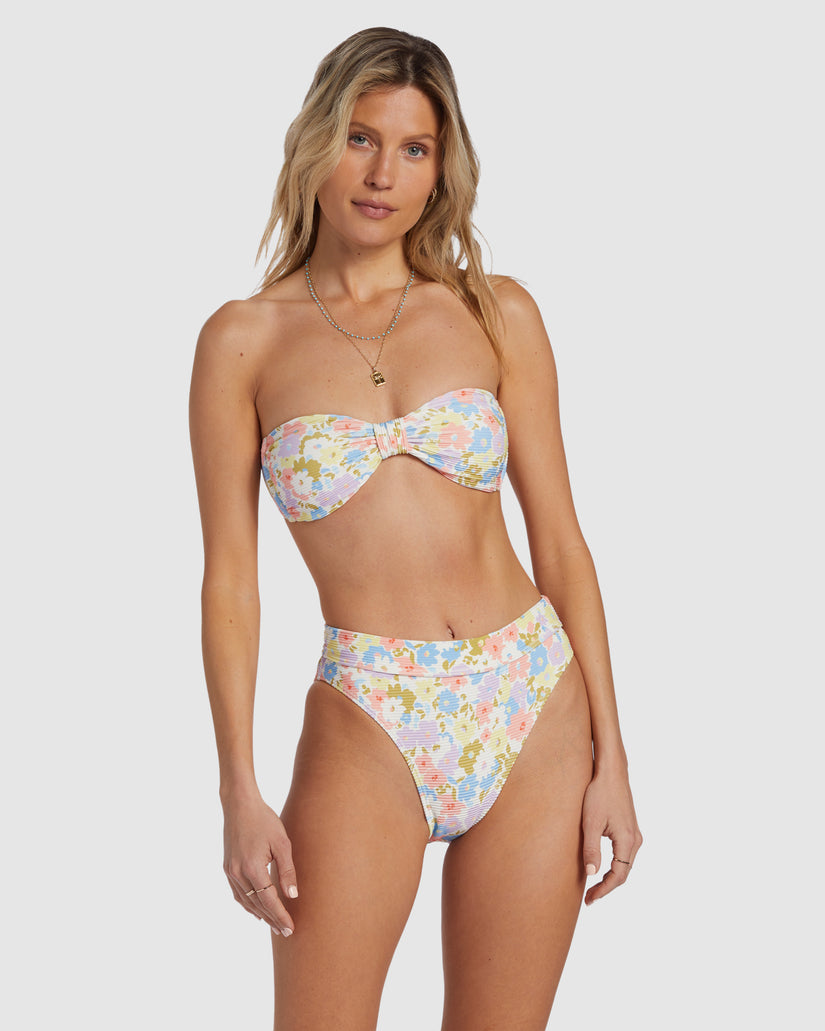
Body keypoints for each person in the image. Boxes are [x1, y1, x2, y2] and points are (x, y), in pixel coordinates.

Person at [190, 26, 642, 1031]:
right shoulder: (241, 341)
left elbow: (561, 544)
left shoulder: (494, 313)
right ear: (317, 140)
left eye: (413, 148)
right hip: (370, 711)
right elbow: (230, 582)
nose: (381, 173)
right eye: (360, 138)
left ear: (442, 169)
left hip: (532, 699)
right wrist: (238, 789)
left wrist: (614, 755)